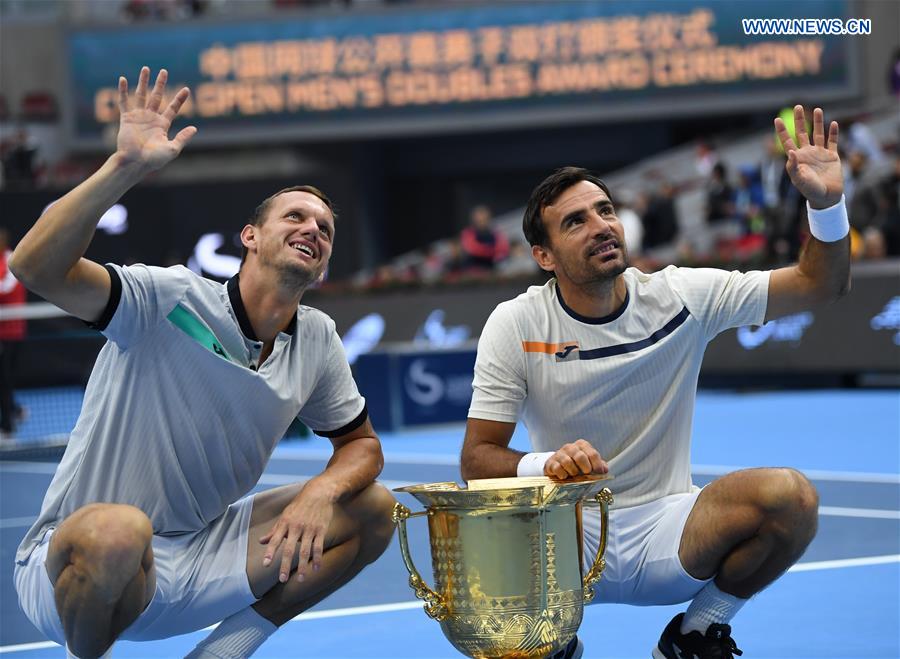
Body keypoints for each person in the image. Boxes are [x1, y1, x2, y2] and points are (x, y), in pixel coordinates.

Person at [11, 67, 395, 659]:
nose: (312, 229)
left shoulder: (316, 338)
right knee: (119, 530)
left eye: (324, 229)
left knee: (372, 508)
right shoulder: (167, 298)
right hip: (72, 570)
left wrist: (322, 491)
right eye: (295, 217)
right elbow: (34, 266)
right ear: (250, 236)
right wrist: (125, 167)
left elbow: (361, 447)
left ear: (322, 266)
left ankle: (225, 651)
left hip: (197, 562)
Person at [461, 105, 850, 659]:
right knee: (479, 541)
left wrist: (826, 203)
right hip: (565, 540)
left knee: (791, 498)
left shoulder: (682, 294)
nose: (601, 226)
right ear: (543, 256)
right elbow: (478, 458)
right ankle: (548, 641)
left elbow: (819, 285)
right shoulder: (516, 322)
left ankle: (697, 632)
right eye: (576, 221)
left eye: (605, 210)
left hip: (670, 532)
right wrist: (543, 464)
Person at [0, 229, 27, 440]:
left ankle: (7, 426)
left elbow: (7, 287)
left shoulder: (11, 260)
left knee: (5, 378)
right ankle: (15, 411)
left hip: (11, 333)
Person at [460, 204, 510, 271]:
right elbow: (473, 249)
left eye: (484, 218)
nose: (482, 220)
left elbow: (503, 249)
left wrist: (493, 252)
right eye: (479, 219)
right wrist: (493, 252)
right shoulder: (467, 233)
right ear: (474, 219)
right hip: (472, 272)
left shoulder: (495, 234)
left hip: (491, 270)